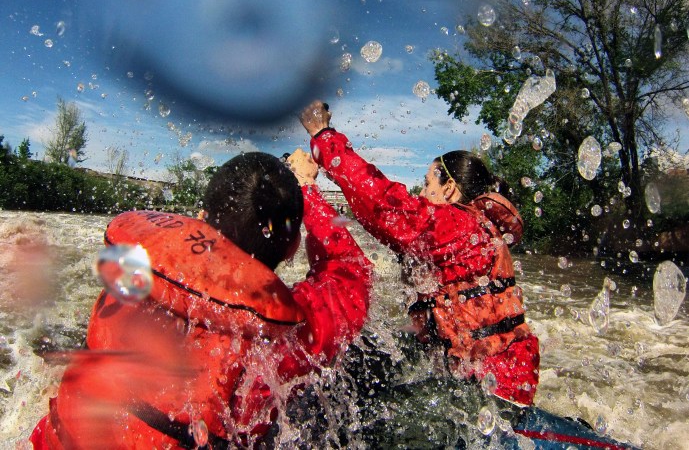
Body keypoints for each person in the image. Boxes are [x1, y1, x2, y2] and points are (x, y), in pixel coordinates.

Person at [30, 151, 373, 448]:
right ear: (294, 246)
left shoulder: (137, 278)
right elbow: (350, 272)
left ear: (201, 220)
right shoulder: (283, 334)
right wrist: (308, 189)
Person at [294, 100, 540, 407]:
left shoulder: (461, 226)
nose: (420, 195)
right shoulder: (467, 233)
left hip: (494, 391)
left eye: (427, 185)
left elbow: (383, 205)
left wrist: (322, 138)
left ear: (449, 189)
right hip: (484, 377)